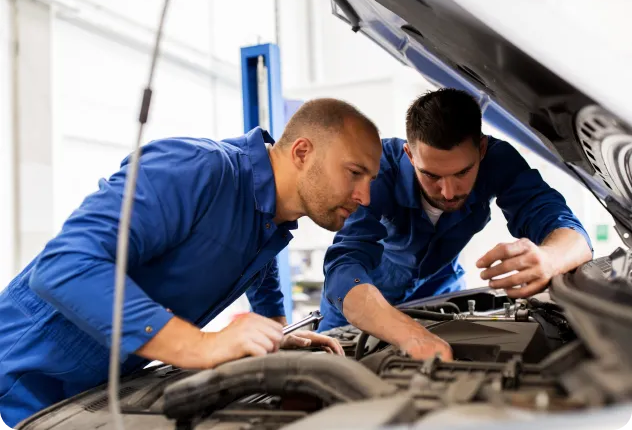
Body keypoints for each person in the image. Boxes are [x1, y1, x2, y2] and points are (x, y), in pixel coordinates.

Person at [0, 98, 383, 428]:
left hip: (94, 397)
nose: (365, 196)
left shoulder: (271, 220)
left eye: (371, 179)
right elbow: (65, 265)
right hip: (15, 390)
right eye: (355, 173)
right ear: (302, 152)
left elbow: (256, 269)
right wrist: (199, 345)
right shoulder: (196, 169)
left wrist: (273, 337)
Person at [319, 88, 593, 360]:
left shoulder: (498, 161)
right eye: (431, 175)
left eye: (462, 172)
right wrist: (409, 334)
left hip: (438, 298)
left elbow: (567, 230)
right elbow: (343, 267)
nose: (448, 192)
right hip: (360, 308)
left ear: (482, 150)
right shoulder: (376, 171)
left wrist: (549, 259)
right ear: (410, 155)